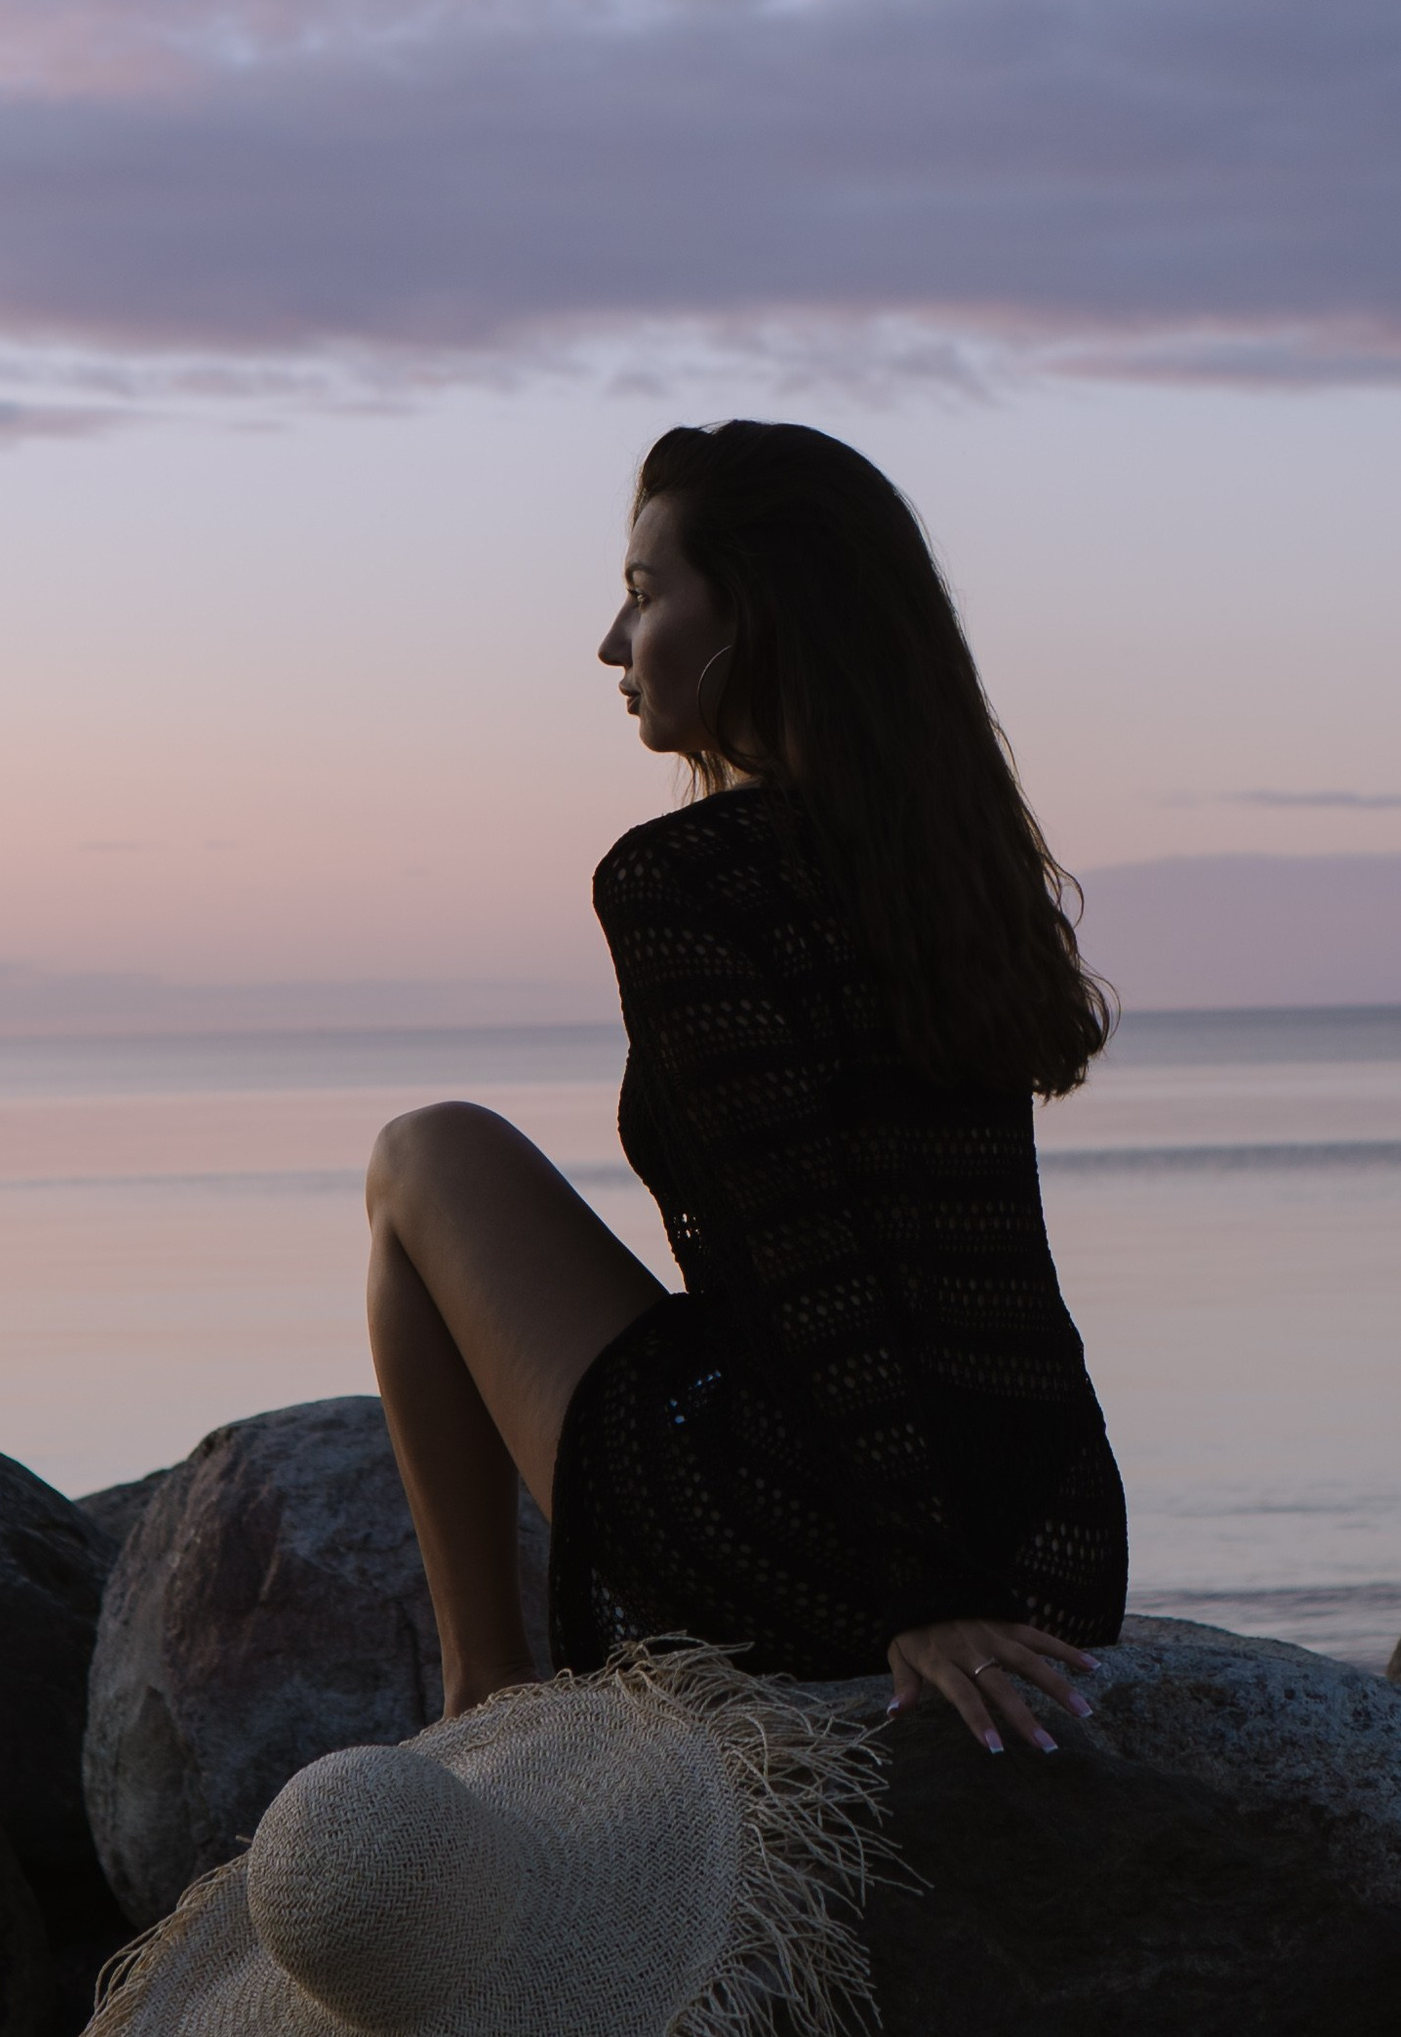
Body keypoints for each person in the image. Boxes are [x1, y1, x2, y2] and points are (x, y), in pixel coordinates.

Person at [364, 419, 1128, 1754]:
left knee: (426, 1156)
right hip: (1056, 1534)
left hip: (813, 1537)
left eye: (648, 594)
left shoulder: (685, 880)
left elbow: (809, 1262)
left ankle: (485, 1697)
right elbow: (989, 1274)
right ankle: (491, 1694)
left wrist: (927, 1596)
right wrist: (988, 1566)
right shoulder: (951, 872)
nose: (613, 643)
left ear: (757, 614)